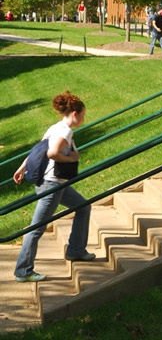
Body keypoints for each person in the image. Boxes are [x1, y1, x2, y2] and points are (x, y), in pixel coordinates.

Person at [13, 91, 96, 283]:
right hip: (52, 186)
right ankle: (23, 270)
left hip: (57, 183)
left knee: (83, 207)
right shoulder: (65, 130)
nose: (83, 120)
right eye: (82, 116)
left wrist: (21, 168)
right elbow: (51, 153)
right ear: (74, 114)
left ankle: (76, 250)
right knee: (36, 229)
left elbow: (38, 151)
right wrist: (72, 158)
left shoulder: (55, 127)